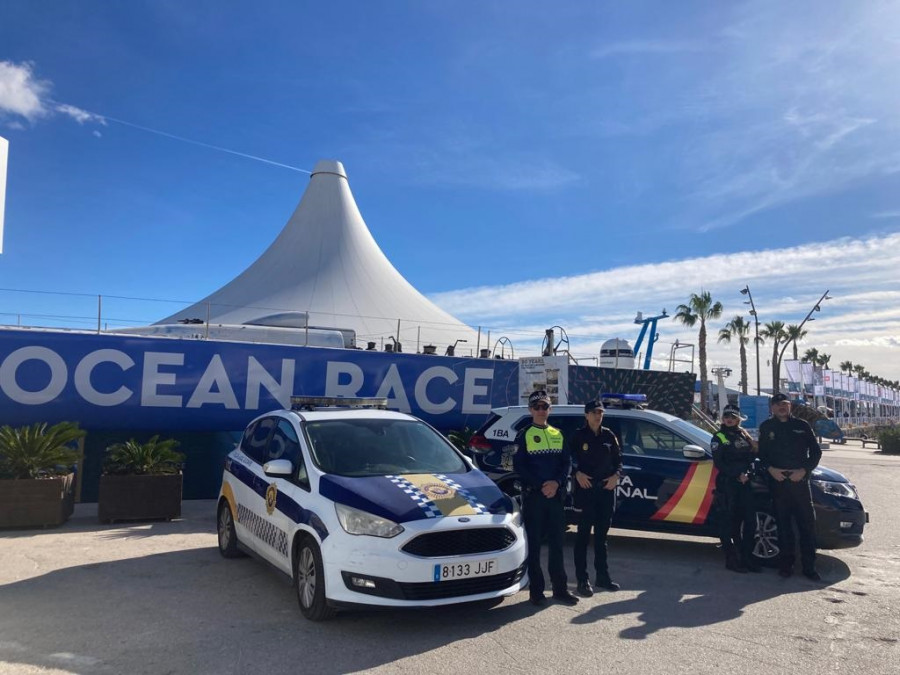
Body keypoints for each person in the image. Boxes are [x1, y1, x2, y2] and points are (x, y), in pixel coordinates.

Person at [513, 390, 579, 606]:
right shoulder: (524, 434)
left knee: (557, 545)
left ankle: (560, 590)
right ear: (531, 410)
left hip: (555, 497)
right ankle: (536, 592)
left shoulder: (557, 434)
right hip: (534, 497)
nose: (541, 410)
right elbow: (519, 466)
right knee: (534, 546)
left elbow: (566, 463)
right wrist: (541, 485)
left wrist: (556, 483)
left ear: (550, 409)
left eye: (545, 407)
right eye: (537, 407)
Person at [758, 393, 823, 580]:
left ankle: (809, 567)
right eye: (777, 404)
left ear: (790, 406)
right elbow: (762, 455)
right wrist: (771, 470)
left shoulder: (802, 426)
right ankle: (786, 565)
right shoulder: (767, 427)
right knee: (783, 526)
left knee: (807, 526)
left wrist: (804, 471)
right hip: (778, 483)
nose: (781, 407)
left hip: (800, 482)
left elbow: (816, 453)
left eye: (785, 404)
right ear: (772, 407)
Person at [569, 399, 622, 596]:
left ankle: (603, 577)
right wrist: (577, 473)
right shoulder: (578, 436)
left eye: (600, 412)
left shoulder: (609, 435)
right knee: (582, 537)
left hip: (606, 491)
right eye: (594, 412)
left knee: (602, 537)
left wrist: (616, 476)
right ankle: (582, 580)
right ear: (586, 415)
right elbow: (569, 458)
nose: (598, 415)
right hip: (586, 491)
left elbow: (618, 460)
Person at [711, 403, 760, 574]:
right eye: (726, 417)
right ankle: (731, 560)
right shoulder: (719, 436)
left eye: (732, 417)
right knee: (728, 523)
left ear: (738, 418)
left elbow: (751, 457)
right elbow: (719, 463)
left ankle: (746, 558)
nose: (729, 420)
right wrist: (737, 474)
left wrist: (747, 473)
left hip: (744, 483)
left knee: (750, 522)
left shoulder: (744, 435)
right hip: (727, 484)